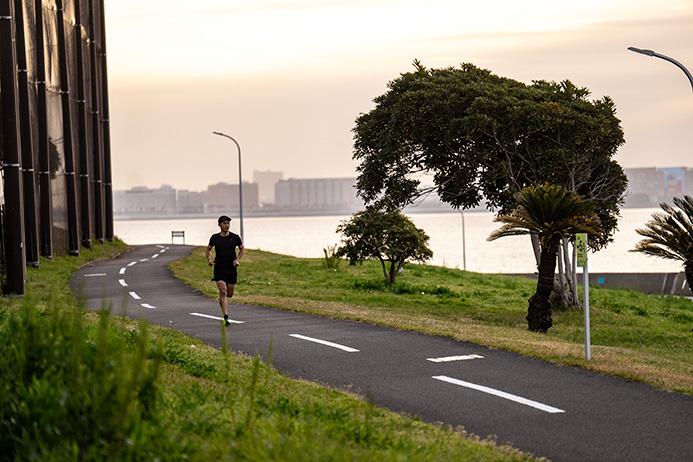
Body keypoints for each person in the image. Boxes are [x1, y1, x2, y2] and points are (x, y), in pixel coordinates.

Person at [206, 215, 245, 326]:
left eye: (228, 223)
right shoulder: (215, 238)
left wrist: (237, 259)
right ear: (219, 225)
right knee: (223, 291)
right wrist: (209, 259)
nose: (227, 225)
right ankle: (226, 316)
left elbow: (242, 248)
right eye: (224, 223)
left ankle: (223, 301)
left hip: (231, 268)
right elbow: (208, 249)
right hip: (219, 268)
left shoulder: (235, 237)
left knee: (229, 294)